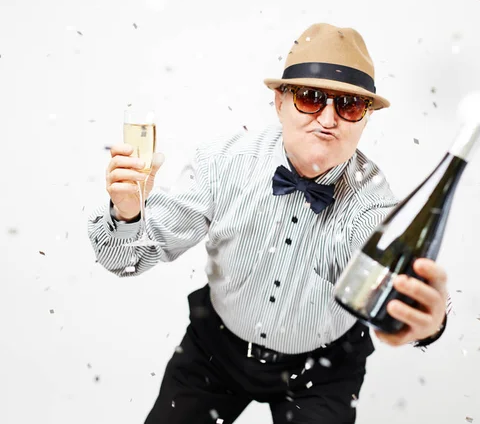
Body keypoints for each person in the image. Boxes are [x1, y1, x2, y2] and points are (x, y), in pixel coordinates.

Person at [88, 23, 450, 424]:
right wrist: (127, 212)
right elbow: (124, 260)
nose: (329, 119)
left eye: (348, 105)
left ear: (365, 118)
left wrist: (426, 323)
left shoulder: (374, 207)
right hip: (214, 353)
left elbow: (394, 297)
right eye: (311, 98)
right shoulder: (222, 164)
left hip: (324, 370)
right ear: (280, 101)